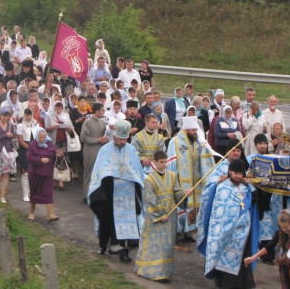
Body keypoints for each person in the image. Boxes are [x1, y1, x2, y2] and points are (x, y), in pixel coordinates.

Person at [88, 120, 144, 262]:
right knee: (107, 219)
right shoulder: (105, 150)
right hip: (109, 191)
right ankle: (104, 245)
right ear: (114, 136)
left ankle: (123, 250)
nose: (123, 142)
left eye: (125, 139)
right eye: (120, 139)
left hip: (128, 192)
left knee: (127, 220)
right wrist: (110, 173)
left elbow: (136, 169)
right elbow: (100, 169)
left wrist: (130, 175)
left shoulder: (131, 150)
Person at [198, 158, 258, 288]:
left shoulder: (245, 189)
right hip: (225, 234)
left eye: (240, 174)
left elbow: (255, 200)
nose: (238, 176)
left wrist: (250, 185)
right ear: (230, 171)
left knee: (241, 265)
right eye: (235, 173)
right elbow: (219, 214)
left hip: (243, 235)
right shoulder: (222, 188)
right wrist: (229, 227)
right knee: (223, 266)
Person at [135, 150, 192, 281]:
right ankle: (151, 272)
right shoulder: (149, 179)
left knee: (167, 245)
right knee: (155, 244)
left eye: (165, 162)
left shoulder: (172, 176)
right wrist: (161, 215)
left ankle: (164, 273)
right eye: (161, 162)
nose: (164, 164)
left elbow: (176, 193)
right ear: (154, 162)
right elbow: (150, 199)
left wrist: (184, 195)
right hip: (156, 218)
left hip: (171, 216)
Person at [167, 116, 215, 238]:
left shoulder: (198, 142)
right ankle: (178, 231)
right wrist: (173, 180)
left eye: (196, 130)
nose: (195, 132)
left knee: (193, 207)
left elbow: (206, 159)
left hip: (195, 181)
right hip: (180, 181)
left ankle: (189, 232)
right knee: (180, 205)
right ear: (186, 129)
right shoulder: (175, 141)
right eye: (193, 130)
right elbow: (171, 163)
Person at [245, 210, 290, 289]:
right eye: (282, 228)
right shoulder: (279, 233)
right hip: (285, 264)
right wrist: (253, 257)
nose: (284, 230)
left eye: (286, 227)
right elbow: (268, 247)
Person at [26, 128, 59, 221]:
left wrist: (58, 155)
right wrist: (40, 160)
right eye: (40, 137)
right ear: (37, 136)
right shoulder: (32, 145)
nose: (42, 139)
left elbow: (53, 154)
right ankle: (32, 213)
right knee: (34, 192)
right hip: (35, 173)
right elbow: (29, 158)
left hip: (48, 173)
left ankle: (50, 214)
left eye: (44, 137)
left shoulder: (49, 143)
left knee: (48, 193)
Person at [80, 102, 109, 199]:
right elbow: (83, 137)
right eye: (102, 110)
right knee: (89, 171)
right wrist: (97, 140)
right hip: (90, 150)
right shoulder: (87, 122)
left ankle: (96, 194)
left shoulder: (102, 122)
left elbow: (104, 135)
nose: (103, 112)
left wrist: (104, 140)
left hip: (100, 149)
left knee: (99, 172)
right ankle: (86, 194)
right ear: (97, 111)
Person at [0, 106, 17, 203]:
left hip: (8, 151)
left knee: (6, 173)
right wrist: (5, 135)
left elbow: (14, 136)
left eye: (7, 115)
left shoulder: (11, 125)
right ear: (0, 115)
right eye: (4, 115)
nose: (6, 117)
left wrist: (11, 135)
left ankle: (2, 195)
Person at [17, 108, 40, 202]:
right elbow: (20, 139)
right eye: (27, 115)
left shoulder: (36, 124)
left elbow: (38, 137)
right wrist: (29, 147)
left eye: (30, 115)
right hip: (24, 148)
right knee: (25, 171)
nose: (28, 117)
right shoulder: (20, 125)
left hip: (34, 147)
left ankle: (32, 192)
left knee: (34, 171)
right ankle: (25, 193)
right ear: (24, 115)